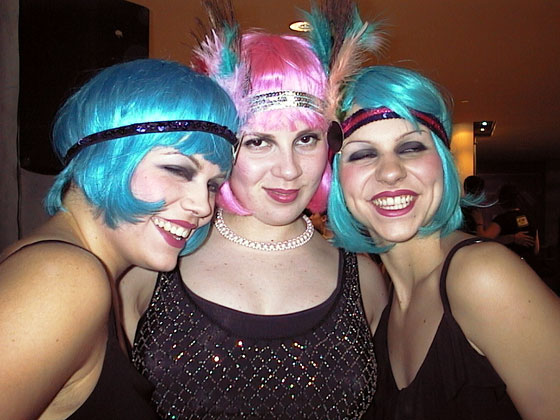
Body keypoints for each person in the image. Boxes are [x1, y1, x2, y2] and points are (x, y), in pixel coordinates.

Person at [120, 26, 387, 419]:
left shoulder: (364, 281)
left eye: (306, 139)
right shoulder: (151, 268)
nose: (289, 170)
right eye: (258, 141)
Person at [0, 58, 239, 420]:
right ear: (108, 156)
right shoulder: (61, 277)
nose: (203, 206)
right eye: (177, 169)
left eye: (212, 185)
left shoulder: (87, 273)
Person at [328, 65, 560, 419]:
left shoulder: (483, 276)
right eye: (363, 154)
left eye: (410, 148)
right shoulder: (380, 300)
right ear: (337, 178)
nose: (390, 172)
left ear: (442, 163)